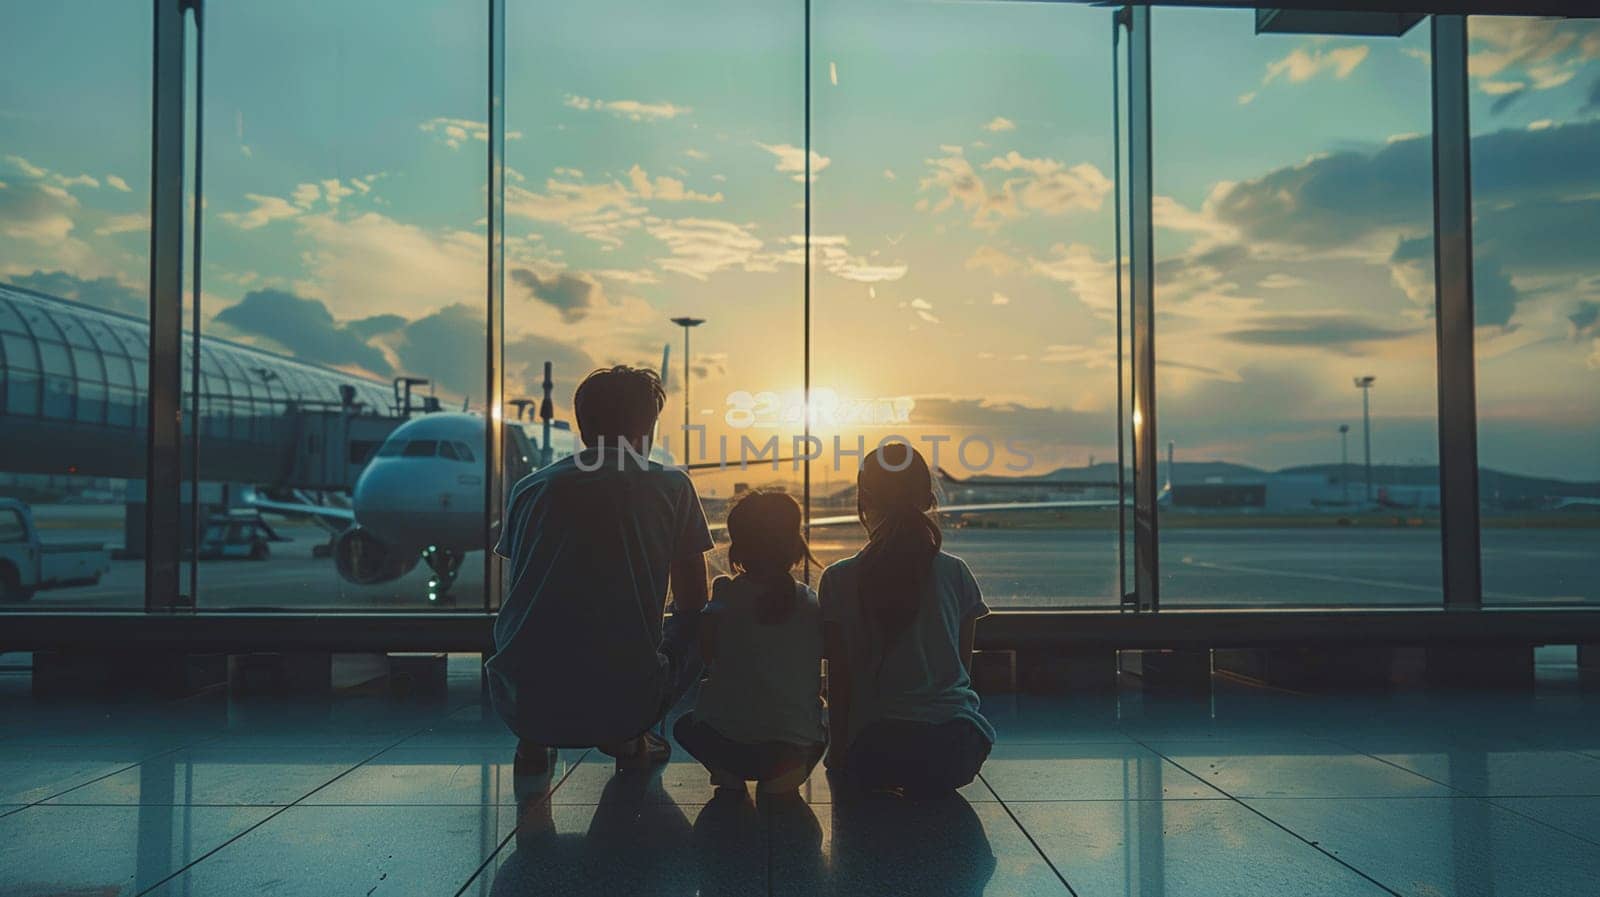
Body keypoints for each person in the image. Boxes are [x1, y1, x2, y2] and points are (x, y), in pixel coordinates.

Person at [488, 364, 712, 774]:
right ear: (648, 428)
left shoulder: (530, 488)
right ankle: (630, 733)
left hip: (521, 698)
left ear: (583, 425)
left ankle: (533, 742)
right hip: (622, 698)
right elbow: (694, 599)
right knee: (699, 623)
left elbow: (517, 590)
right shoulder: (671, 487)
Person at [819, 443, 995, 796]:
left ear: (864, 497)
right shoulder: (956, 573)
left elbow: (840, 679)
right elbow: (961, 670)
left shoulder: (838, 579)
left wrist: (838, 752)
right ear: (929, 499)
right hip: (956, 749)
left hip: (876, 748)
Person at [673, 490, 827, 795]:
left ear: (738, 549)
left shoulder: (725, 599)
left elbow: (707, 654)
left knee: (683, 727)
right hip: (788, 748)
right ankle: (788, 774)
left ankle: (725, 770)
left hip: (728, 745)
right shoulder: (810, 602)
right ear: (795, 546)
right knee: (822, 717)